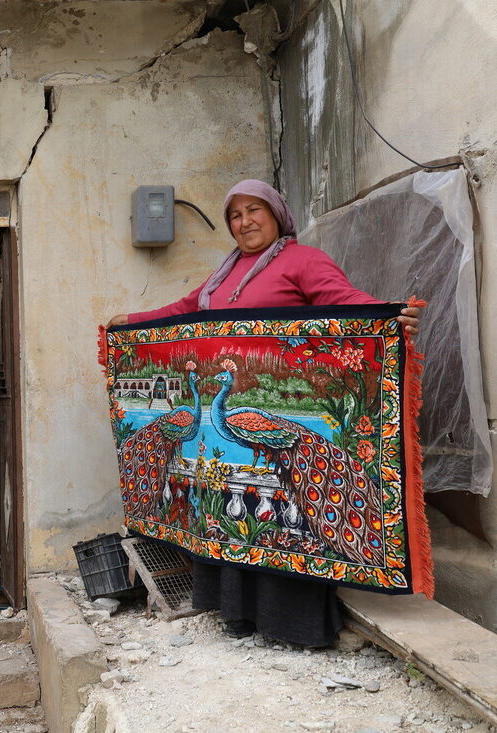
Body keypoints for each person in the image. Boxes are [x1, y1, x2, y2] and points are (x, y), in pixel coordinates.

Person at [107, 179, 420, 646]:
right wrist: (131, 323)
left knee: (280, 514)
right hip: (220, 431)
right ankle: (237, 614)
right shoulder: (223, 272)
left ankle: (288, 622)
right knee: (228, 518)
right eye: (235, 215)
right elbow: (186, 310)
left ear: (277, 215)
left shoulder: (303, 261)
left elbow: (342, 300)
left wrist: (390, 315)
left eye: (254, 210)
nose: (244, 222)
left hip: (267, 419)